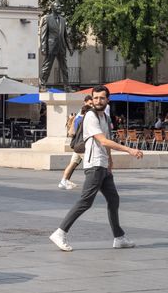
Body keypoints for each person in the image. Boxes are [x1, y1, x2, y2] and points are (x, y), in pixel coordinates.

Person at [49, 85, 143, 252]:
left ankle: (119, 237)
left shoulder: (105, 118)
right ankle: (60, 232)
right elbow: (103, 141)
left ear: (108, 100)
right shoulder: (91, 116)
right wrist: (130, 150)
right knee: (85, 201)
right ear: (91, 100)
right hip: (94, 165)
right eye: (96, 98)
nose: (99, 101)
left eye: (102, 98)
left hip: (103, 165)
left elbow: (106, 141)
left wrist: (110, 161)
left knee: (114, 200)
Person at [59, 95, 93, 190]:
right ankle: (91, 184)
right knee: (90, 165)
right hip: (83, 146)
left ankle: (63, 181)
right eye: (90, 104)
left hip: (77, 145)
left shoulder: (78, 117)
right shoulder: (84, 119)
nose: (92, 106)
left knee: (73, 163)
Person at [39, 0, 73, 91]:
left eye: (60, 7)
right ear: (52, 8)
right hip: (50, 47)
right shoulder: (47, 19)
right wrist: (43, 48)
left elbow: (66, 35)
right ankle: (42, 84)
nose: (59, 8)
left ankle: (67, 86)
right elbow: (43, 35)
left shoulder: (63, 19)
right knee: (47, 67)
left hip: (61, 47)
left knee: (64, 68)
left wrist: (70, 47)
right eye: (57, 6)